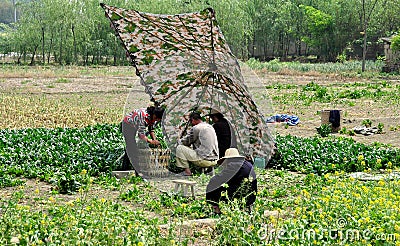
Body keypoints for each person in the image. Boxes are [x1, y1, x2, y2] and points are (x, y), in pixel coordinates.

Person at [206, 148, 257, 214]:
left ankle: (216, 209)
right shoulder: (248, 164)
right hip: (250, 197)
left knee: (212, 184)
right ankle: (247, 207)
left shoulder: (232, 166)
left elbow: (215, 180)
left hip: (238, 197)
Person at [121, 104, 165, 174]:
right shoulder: (143, 117)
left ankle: (124, 168)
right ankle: (138, 172)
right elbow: (141, 135)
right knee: (132, 147)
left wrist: (154, 139)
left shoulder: (153, 117)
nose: (157, 120)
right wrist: (151, 141)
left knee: (130, 147)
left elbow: (151, 129)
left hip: (134, 125)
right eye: (157, 119)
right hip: (127, 125)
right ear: (154, 115)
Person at [175, 112, 219, 176]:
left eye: (191, 122)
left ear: (193, 120)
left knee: (180, 148)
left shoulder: (196, 128)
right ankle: (210, 172)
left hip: (204, 160)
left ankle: (187, 172)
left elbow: (185, 142)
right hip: (215, 159)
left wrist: (178, 141)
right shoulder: (210, 126)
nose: (191, 124)